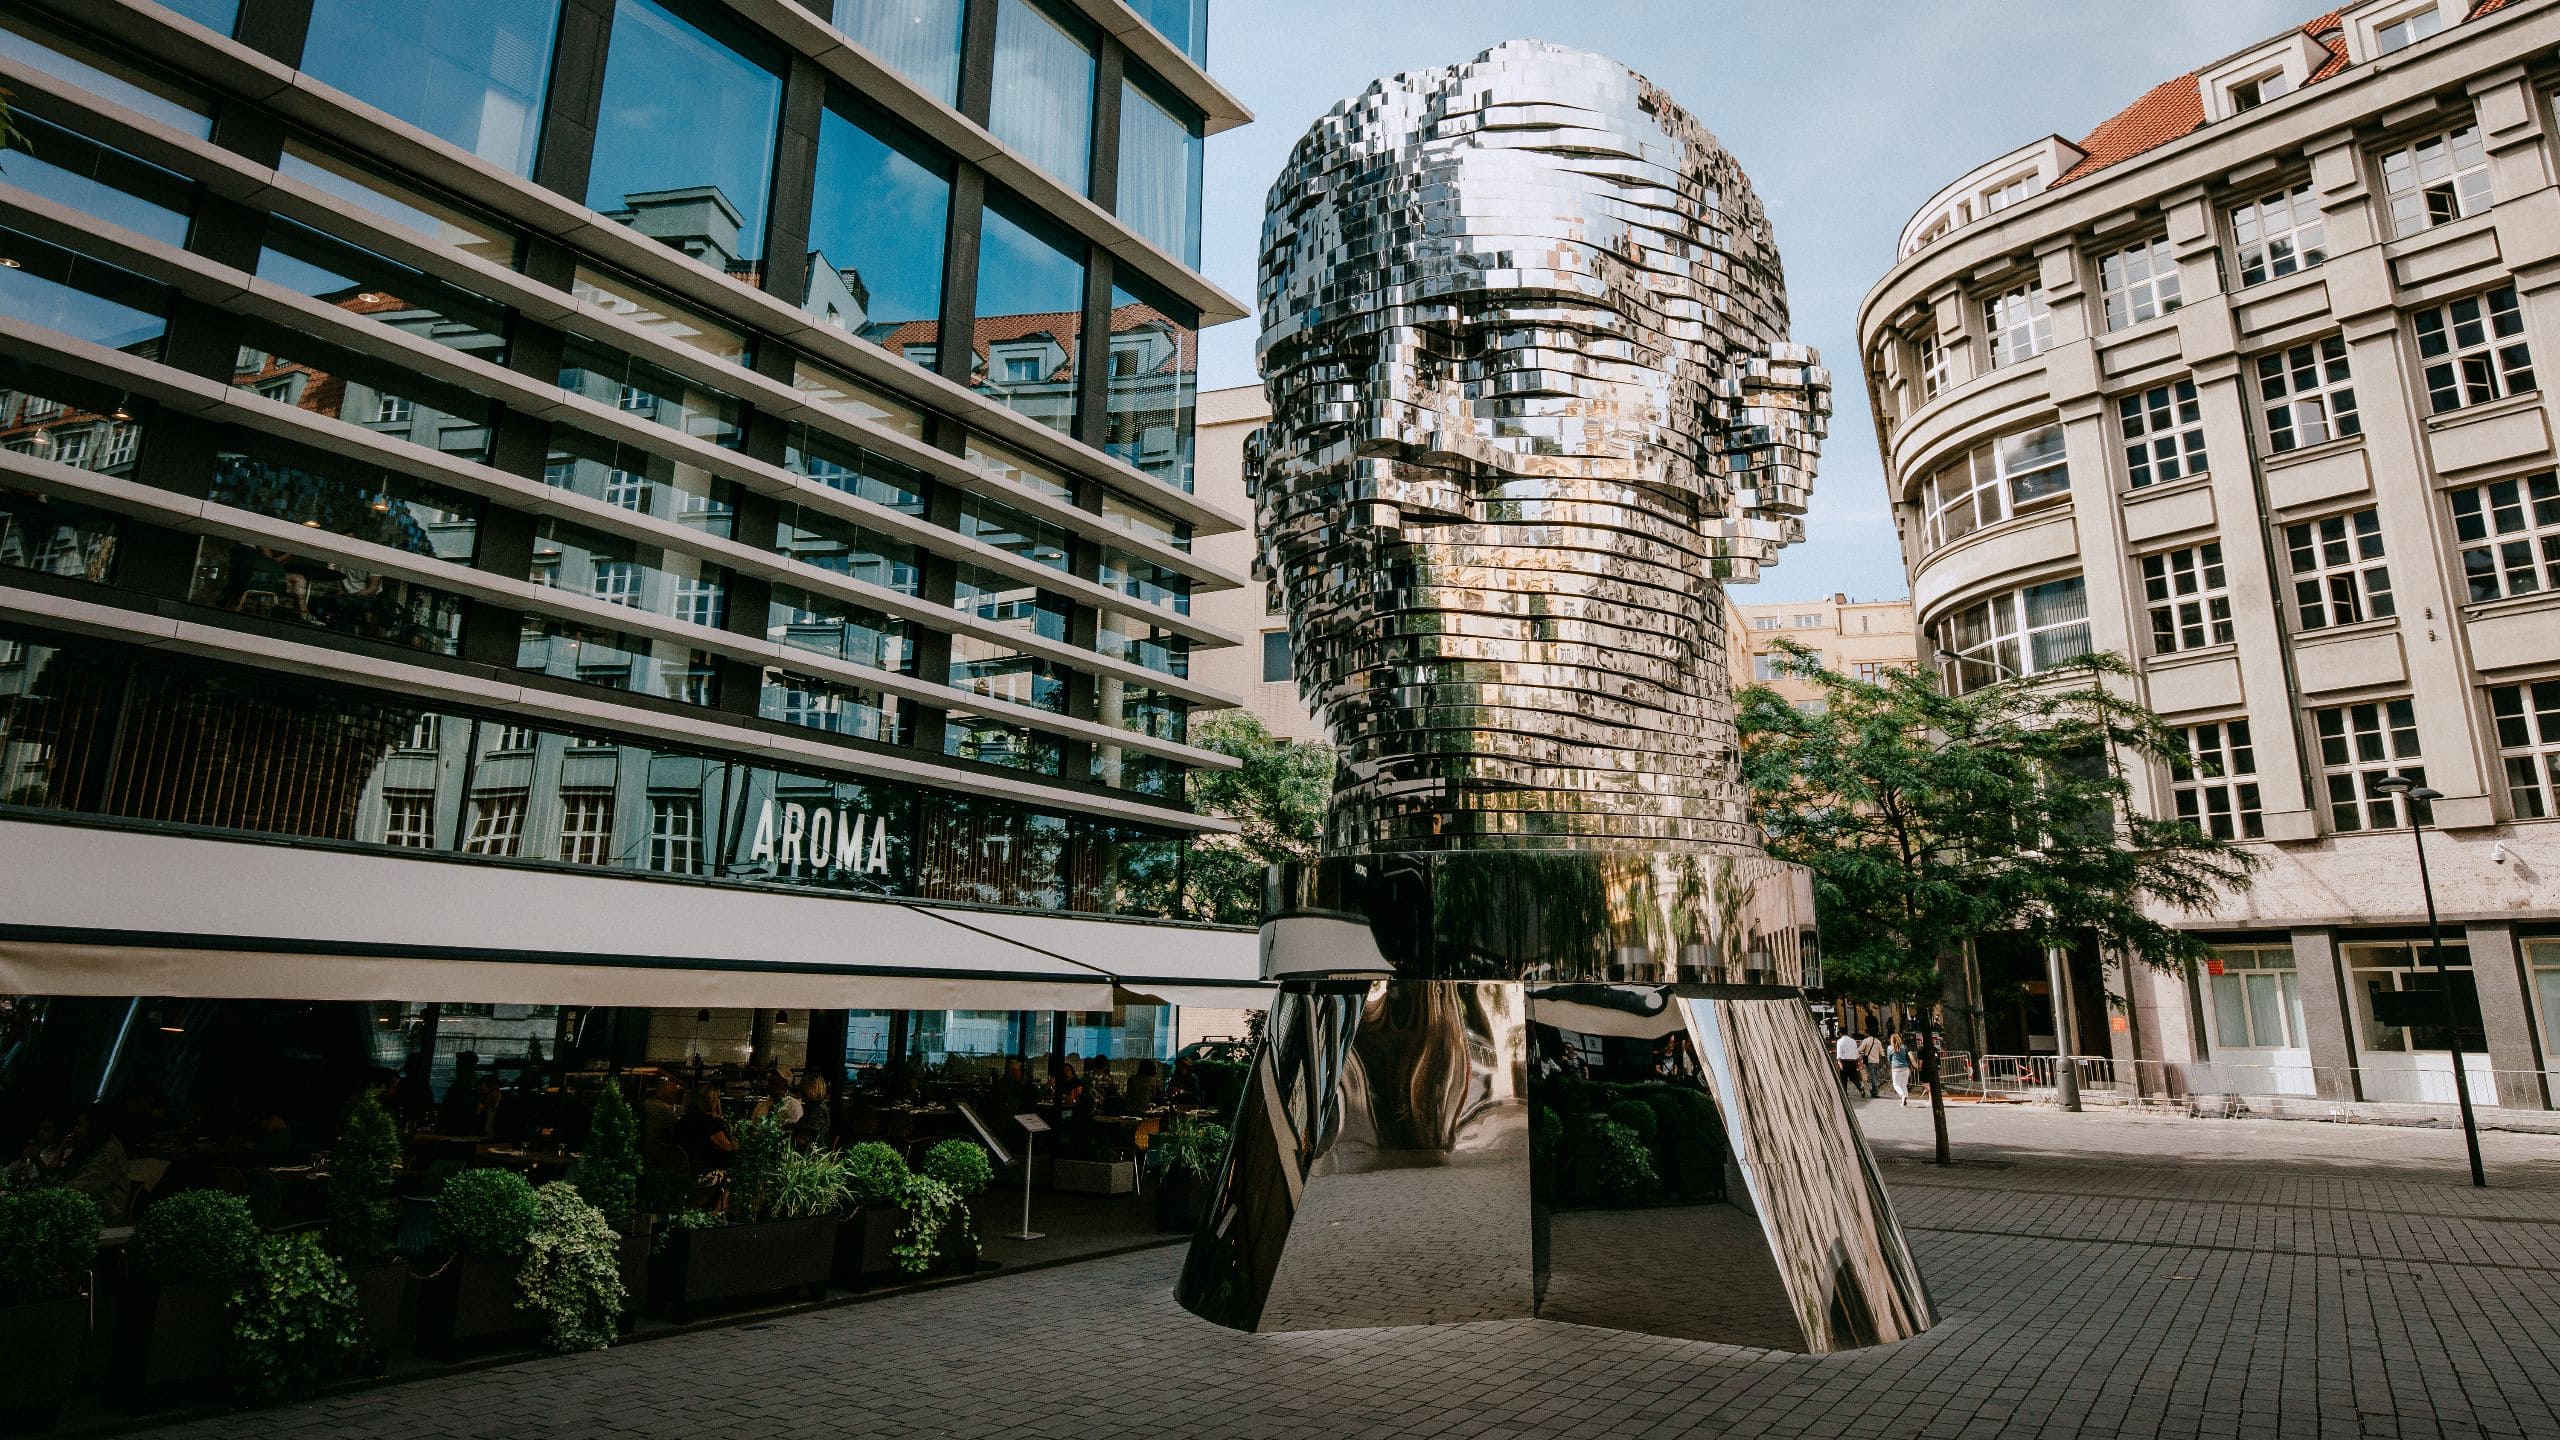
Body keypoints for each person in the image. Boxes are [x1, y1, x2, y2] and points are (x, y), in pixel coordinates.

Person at [674, 1086, 735, 1175]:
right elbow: (727, 1147)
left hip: (682, 1165)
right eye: (718, 1098)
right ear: (713, 1101)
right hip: (704, 1168)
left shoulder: (686, 1117)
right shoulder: (708, 1121)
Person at [792, 1073, 832, 1150]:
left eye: (802, 1087)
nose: (800, 1090)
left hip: (810, 1158)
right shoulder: (816, 1107)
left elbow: (803, 1138)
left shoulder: (817, 1111)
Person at [1833, 1030, 1863, 1094]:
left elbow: (1839, 1052)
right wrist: (1858, 1061)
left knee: (1844, 1079)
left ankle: (1845, 1093)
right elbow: (1855, 1051)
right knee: (1854, 1077)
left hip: (1844, 1062)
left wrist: (1839, 1062)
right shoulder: (1853, 1041)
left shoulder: (1840, 1041)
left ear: (1840, 1034)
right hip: (1853, 1061)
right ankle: (1860, 1087)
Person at [1858, 1031, 1886, 1099]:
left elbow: (1859, 1050)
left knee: (1872, 1077)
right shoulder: (1878, 1041)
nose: (1864, 1034)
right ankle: (1873, 1091)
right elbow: (1881, 1052)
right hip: (1876, 1061)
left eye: (1865, 1032)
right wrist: (1884, 1059)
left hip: (1869, 1061)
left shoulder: (1866, 1041)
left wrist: (1861, 1051)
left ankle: (1876, 1092)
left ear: (1868, 1033)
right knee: (1874, 1076)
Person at [1887, 1036, 1914, 1106]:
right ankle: (1903, 1101)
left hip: (1896, 1068)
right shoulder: (1904, 1047)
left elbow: (1889, 1059)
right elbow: (1907, 1057)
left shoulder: (1890, 1048)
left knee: (1896, 1084)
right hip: (1905, 1068)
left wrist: (1890, 1064)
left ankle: (1902, 1095)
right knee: (1903, 1085)